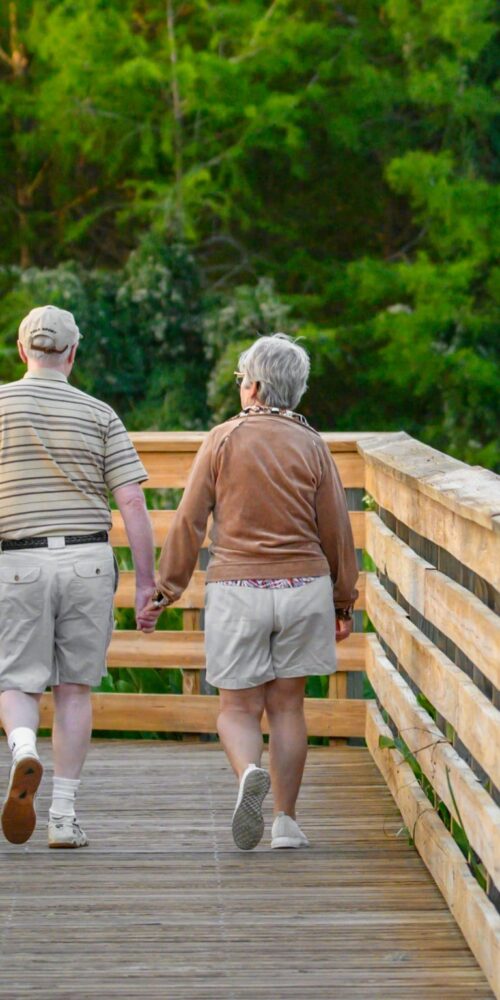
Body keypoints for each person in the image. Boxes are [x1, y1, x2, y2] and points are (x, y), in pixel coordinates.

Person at [141, 333, 358, 851]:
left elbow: (191, 521)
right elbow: (336, 530)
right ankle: (285, 821)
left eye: (242, 380)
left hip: (238, 588)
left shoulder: (222, 439)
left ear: (255, 386)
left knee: (237, 709)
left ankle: (246, 776)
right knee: (288, 708)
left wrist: (165, 590)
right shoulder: (312, 444)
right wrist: (342, 601)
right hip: (304, 587)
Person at [0, 305, 155, 848]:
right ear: (72, 353)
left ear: (22, 351)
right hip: (87, 561)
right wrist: (147, 583)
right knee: (73, 690)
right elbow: (132, 500)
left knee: (18, 680)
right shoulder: (99, 413)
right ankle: (63, 817)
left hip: (16, 560)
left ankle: (23, 747)